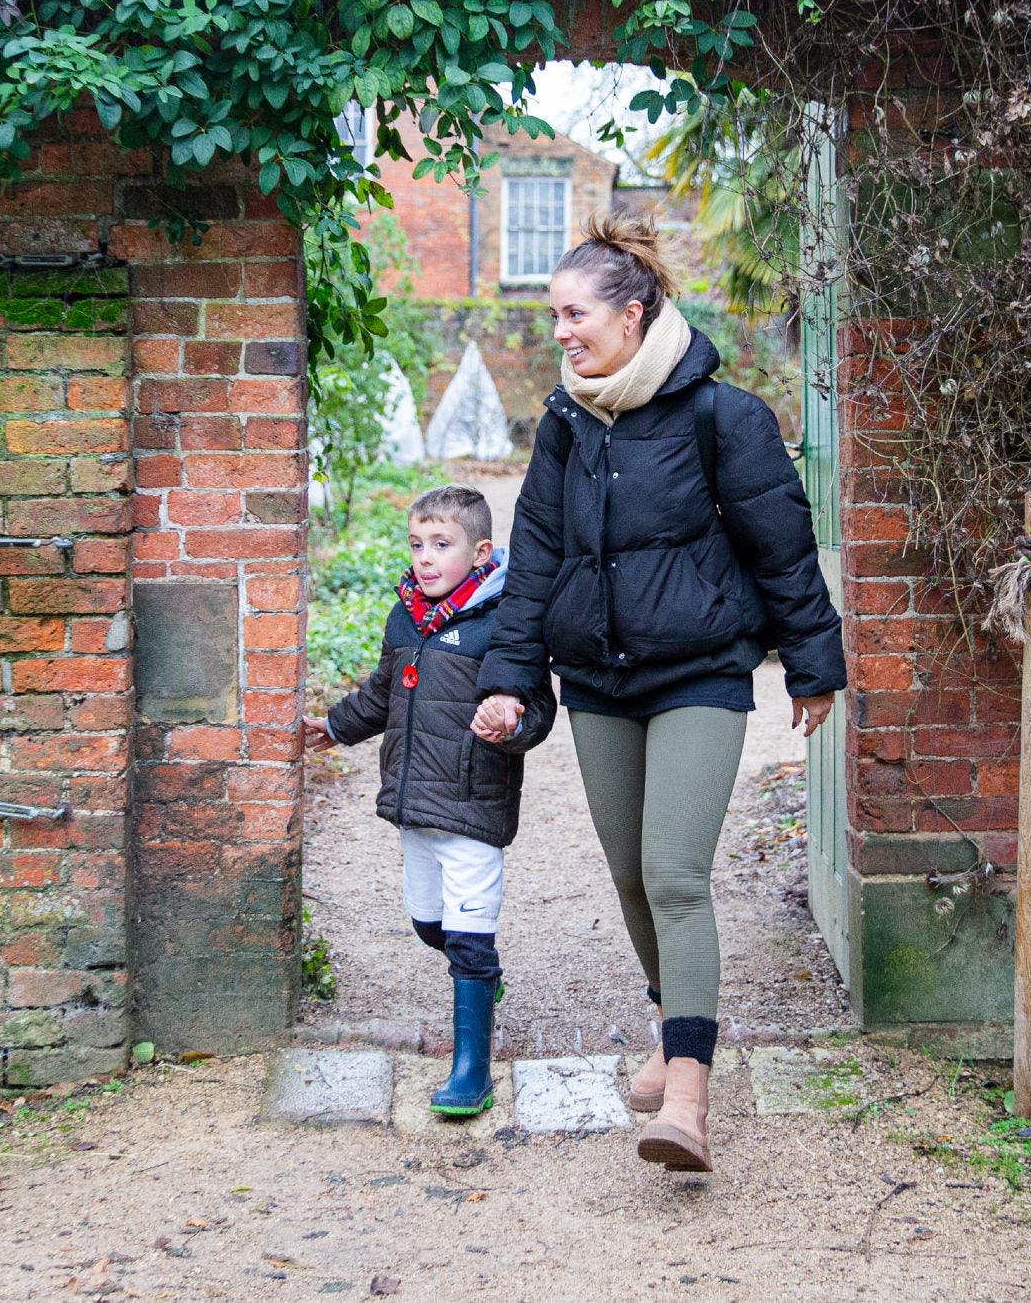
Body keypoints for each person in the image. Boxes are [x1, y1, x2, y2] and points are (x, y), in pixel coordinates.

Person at [471, 217, 846, 1174]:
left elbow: (782, 544)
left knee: (675, 873)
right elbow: (539, 560)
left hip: (700, 676)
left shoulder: (724, 416)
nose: (559, 331)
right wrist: (511, 678)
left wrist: (814, 662)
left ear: (634, 316)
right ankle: (673, 1025)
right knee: (634, 876)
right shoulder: (565, 424)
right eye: (552, 313)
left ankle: (688, 1097)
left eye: (574, 313)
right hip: (597, 682)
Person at [303, 484, 555, 1118]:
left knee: (470, 940)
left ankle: (471, 1069)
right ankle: (484, 977)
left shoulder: (505, 621)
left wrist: (512, 722)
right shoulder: (406, 617)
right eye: (417, 544)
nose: (425, 557)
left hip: (473, 806)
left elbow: (539, 710)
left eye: (441, 545)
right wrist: (333, 728)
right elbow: (382, 695)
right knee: (428, 925)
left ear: (480, 552)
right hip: (415, 806)